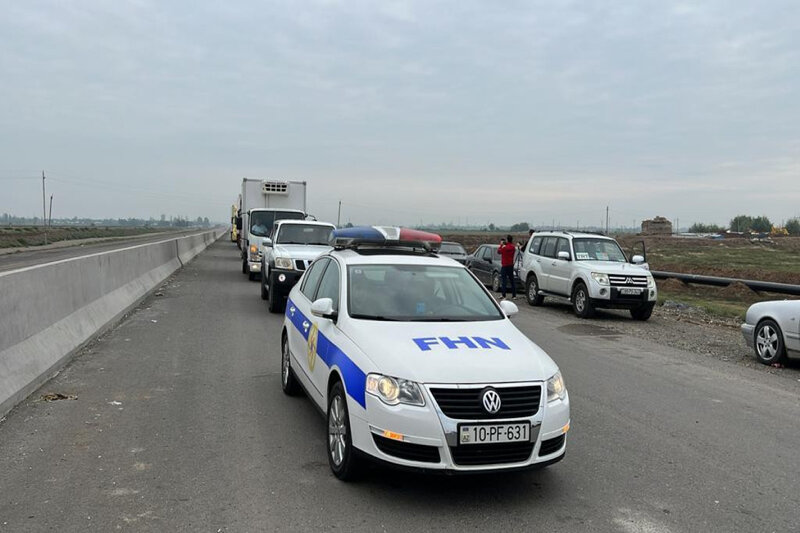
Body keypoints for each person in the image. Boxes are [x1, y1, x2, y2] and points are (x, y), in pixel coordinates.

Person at [497, 235, 517, 299]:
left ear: (507, 240)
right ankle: (514, 295)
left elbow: (499, 251)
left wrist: (501, 245)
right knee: (512, 280)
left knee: (504, 281)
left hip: (505, 266)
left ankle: (503, 295)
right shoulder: (513, 247)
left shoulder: (504, 247)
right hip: (511, 265)